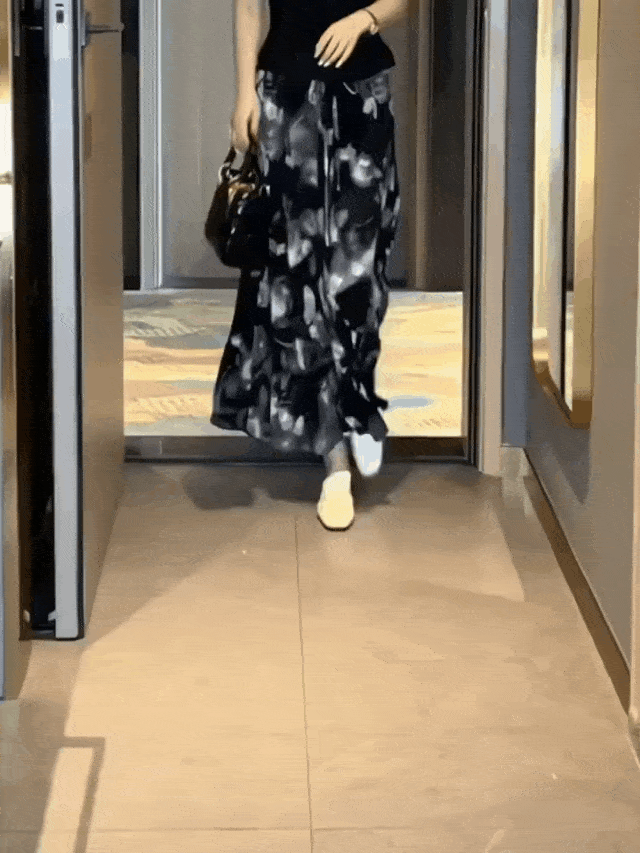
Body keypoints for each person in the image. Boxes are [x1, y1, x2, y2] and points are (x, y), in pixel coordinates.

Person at [211, 0, 407, 530]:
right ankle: (334, 459)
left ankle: (358, 401)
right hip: (286, 95)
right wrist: (244, 93)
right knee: (297, 275)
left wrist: (364, 20)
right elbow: (248, 6)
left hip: (361, 96)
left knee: (359, 270)